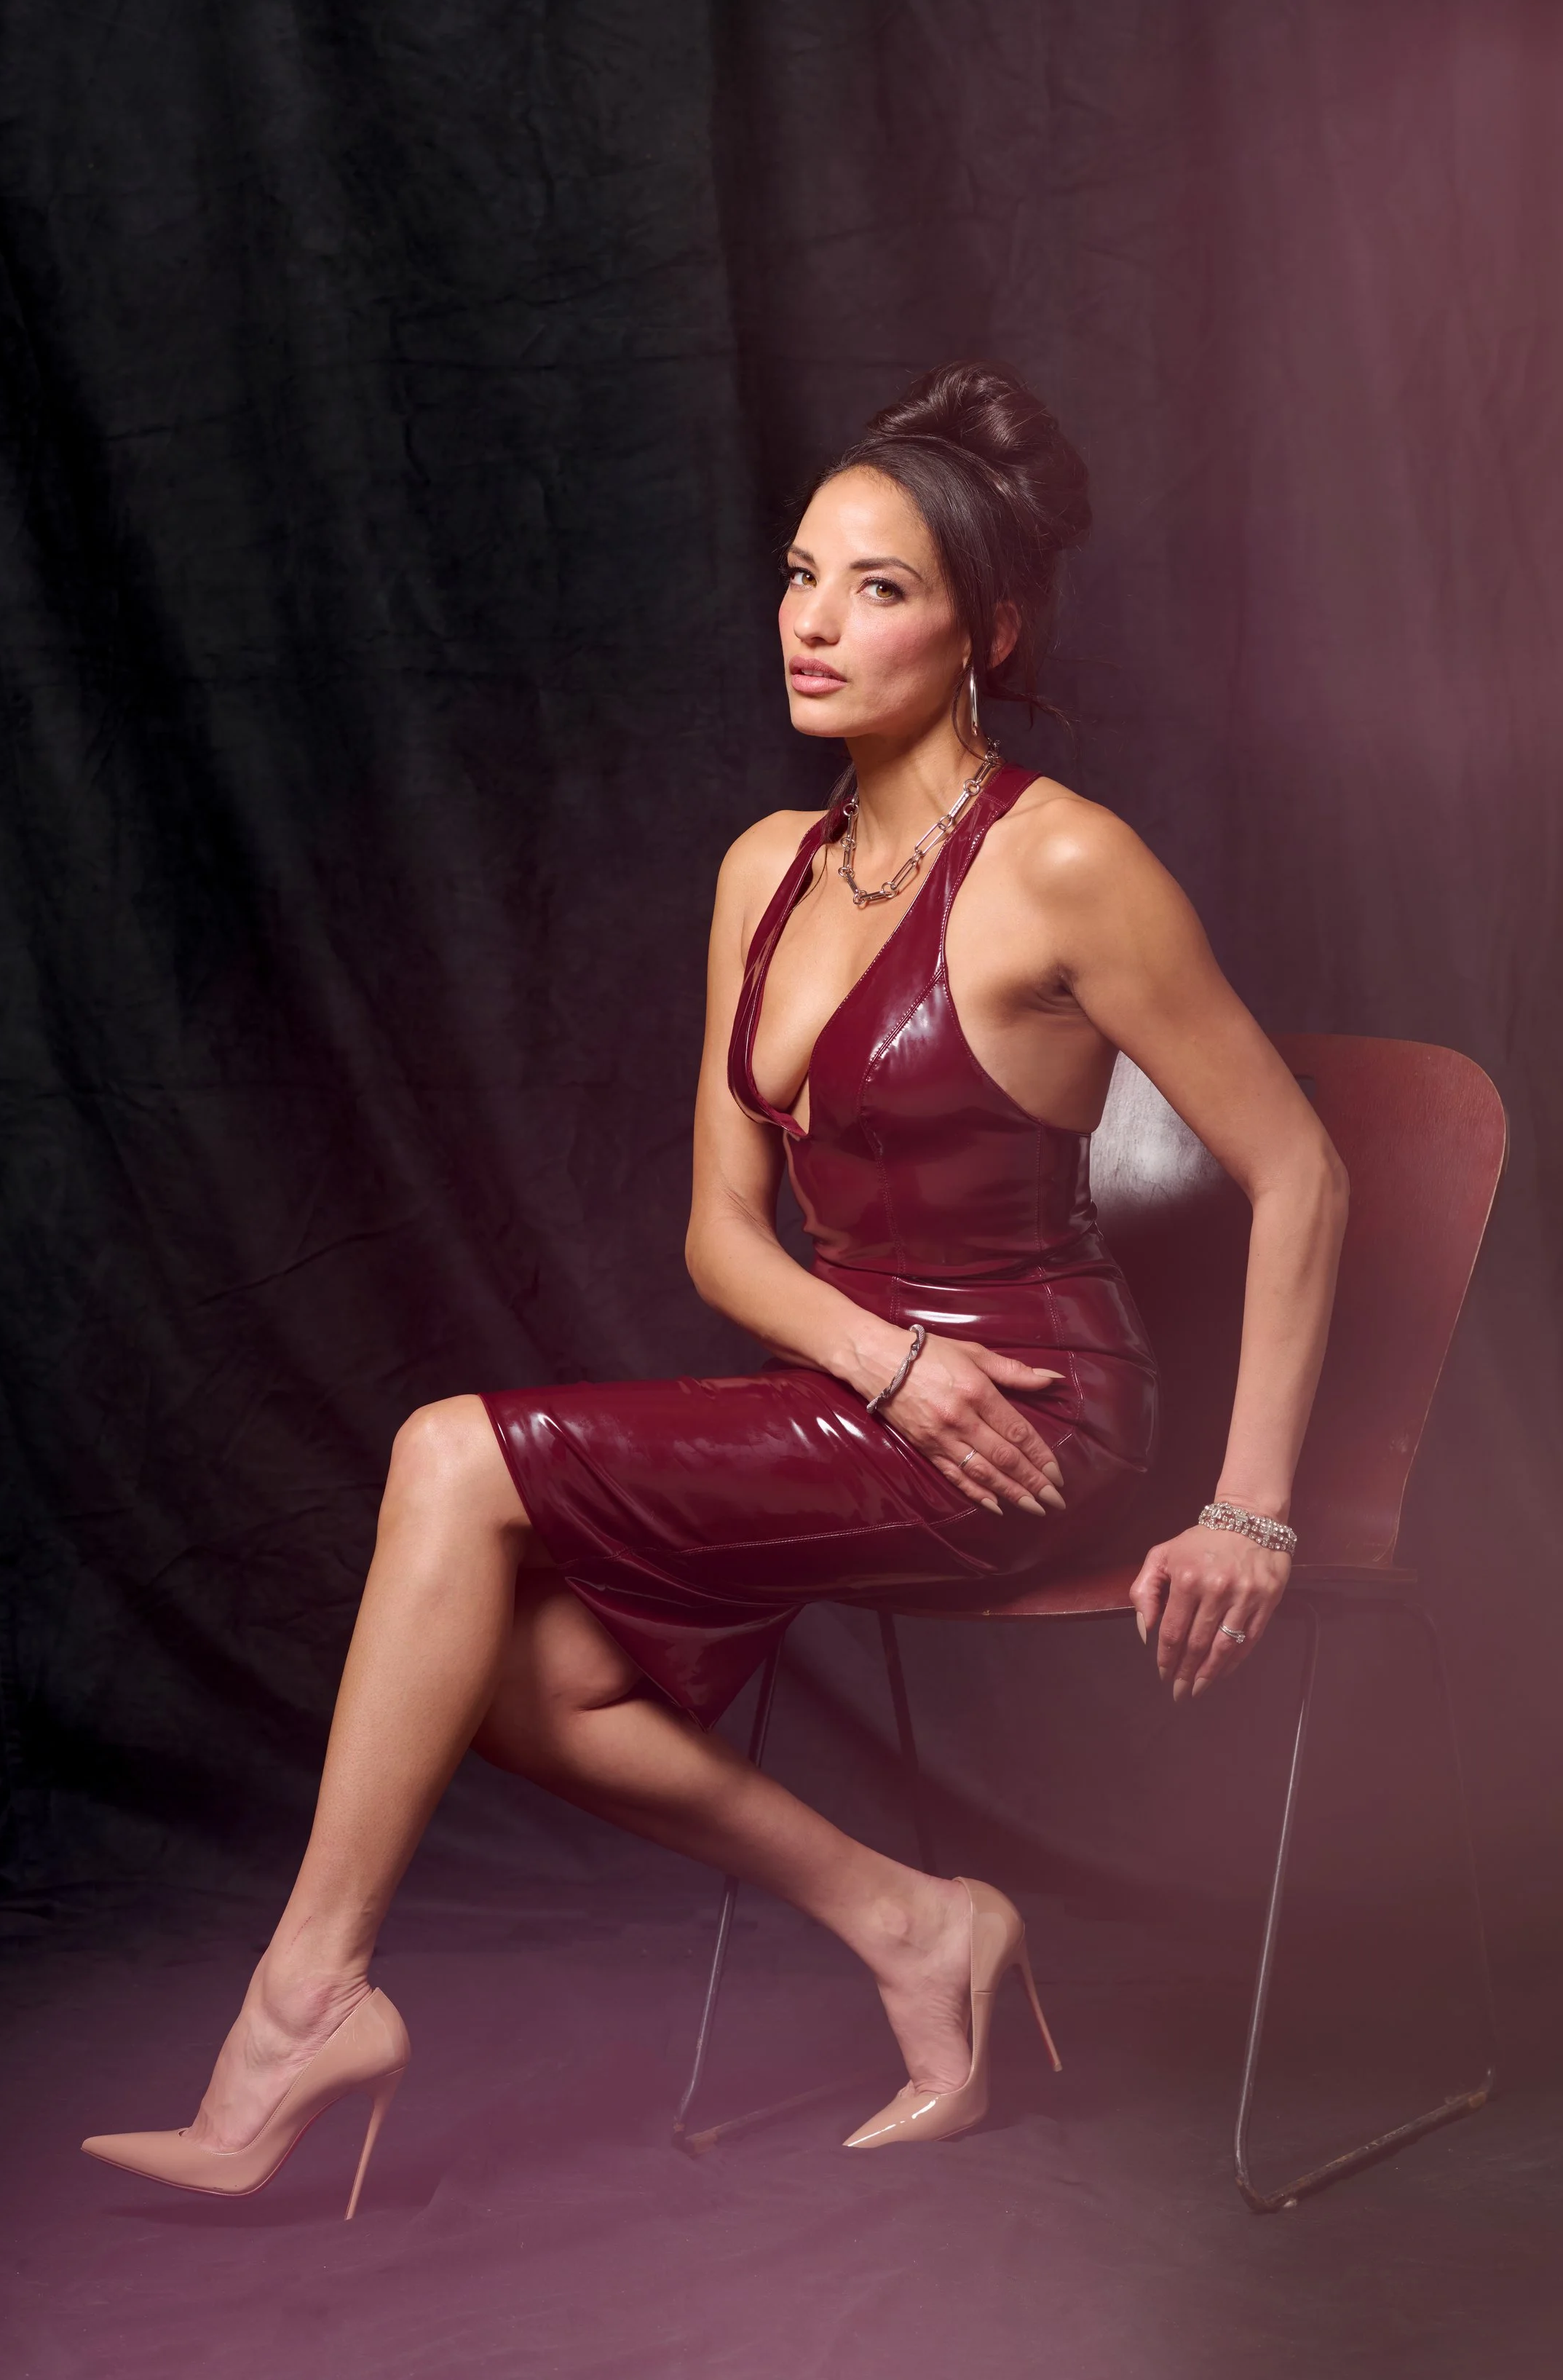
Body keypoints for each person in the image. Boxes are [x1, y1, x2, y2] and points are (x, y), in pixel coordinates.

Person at [80, 360, 1348, 2206]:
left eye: (881, 586)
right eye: (797, 574)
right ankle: (917, 1923)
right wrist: (881, 1360)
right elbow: (717, 1236)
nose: (814, 623)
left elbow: (1299, 1160)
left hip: (1041, 1418)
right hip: (875, 1396)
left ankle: (301, 2001)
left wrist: (1253, 1509)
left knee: (450, 1452)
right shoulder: (764, 867)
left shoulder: (1065, 860)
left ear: (987, 622)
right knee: (534, 1682)